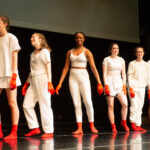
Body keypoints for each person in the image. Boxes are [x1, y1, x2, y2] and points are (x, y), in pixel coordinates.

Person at [55, 32, 103, 134]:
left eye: (81, 38)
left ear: (84, 39)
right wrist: (60, 83)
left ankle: (92, 125)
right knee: (77, 104)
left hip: (83, 76)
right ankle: (79, 128)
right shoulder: (69, 52)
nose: (78, 40)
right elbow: (66, 68)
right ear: (75, 39)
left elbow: (93, 68)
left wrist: (99, 82)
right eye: (77, 38)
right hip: (72, 77)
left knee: (88, 102)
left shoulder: (87, 52)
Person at [22, 33, 55, 138]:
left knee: (44, 104)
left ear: (40, 40)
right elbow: (31, 71)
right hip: (33, 80)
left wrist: (50, 82)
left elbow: (48, 67)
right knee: (27, 104)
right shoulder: (32, 54)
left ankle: (49, 130)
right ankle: (35, 127)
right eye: (31, 37)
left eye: (33, 37)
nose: (31, 39)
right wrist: (26, 83)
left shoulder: (45, 52)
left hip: (42, 79)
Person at [0, 15, 21, 139]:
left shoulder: (11, 37)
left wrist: (14, 75)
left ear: (5, 23)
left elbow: (14, 57)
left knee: (12, 103)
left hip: (9, 74)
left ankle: (14, 132)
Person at [102, 43, 129, 133]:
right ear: (110, 49)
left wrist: (124, 85)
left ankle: (123, 122)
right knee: (111, 105)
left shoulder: (121, 60)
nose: (116, 50)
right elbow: (104, 74)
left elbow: (124, 74)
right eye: (114, 48)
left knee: (125, 104)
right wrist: (106, 85)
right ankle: (113, 126)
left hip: (119, 82)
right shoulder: (106, 59)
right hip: (110, 82)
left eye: (117, 48)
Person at [127, 46, 150, 131]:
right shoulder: (132, 63)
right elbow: (129, 76)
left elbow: (148, 77)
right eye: (138, 52)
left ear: (143, 53)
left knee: (140, 106)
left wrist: (149, 89)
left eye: (141, 52)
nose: (140, 53)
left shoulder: (146, 64)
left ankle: (138, 124)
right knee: (134, 105)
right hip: (133, 87)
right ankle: (132, 123)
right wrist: (131, 88)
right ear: (135, 53)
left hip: (142, 87)